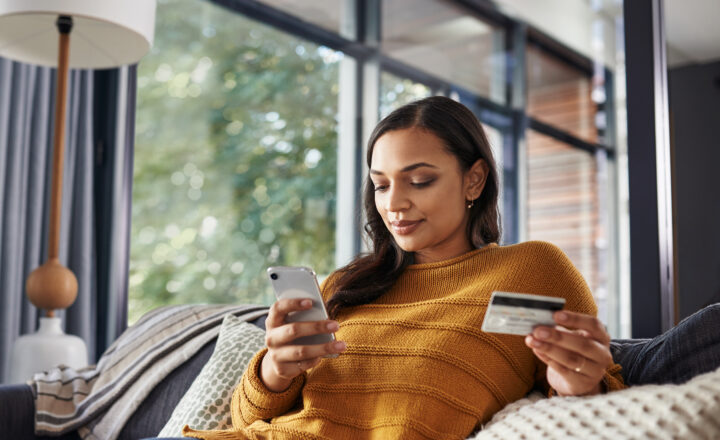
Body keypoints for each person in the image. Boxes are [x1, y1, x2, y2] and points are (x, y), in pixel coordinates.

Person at [181, 96, 626, 439]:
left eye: (420, 181)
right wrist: (275, 369)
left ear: (474, 179)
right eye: (380, 185)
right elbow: (243, 419)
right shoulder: (349, 284)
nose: (393, 204)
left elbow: (607, 406)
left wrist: (579, 385)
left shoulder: (532, 268)